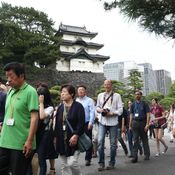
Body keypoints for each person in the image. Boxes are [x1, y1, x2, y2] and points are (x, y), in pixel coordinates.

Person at [0, 62, 39, 175]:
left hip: (21, 143)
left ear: (21, 76)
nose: (8, 79)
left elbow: (34, 118)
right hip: (4, 141)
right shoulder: (10, 91)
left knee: (18, 172)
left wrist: (29, 141)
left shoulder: (30, 91)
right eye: (7, 76)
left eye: (11, 76)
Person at [55, 84, 85, 175]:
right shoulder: (60, 107)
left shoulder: (78, 106)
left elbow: (81, 123)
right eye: (62, 92)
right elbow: (57, 124)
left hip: (74, 139)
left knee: (72, 163)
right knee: (64, 164)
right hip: (62, 139)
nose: (62, 94)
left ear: (71, 94)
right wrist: (55, 137)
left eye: (64, 92)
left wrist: (76, 135)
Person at [96, 80, 123, 171]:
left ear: (111, 85)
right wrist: (101, 111)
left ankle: (112, 163)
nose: (107, 86)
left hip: (113, 122)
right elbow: (97, 107)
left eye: (108, 84)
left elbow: (120, 110)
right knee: (100, 142)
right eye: (105, 84)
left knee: (113, 144)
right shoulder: (100, 95)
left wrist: (112, 113)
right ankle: (101, 163)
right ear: (104, 85)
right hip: (102, 121)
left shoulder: (117, 96)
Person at [76, 85, 95, 166]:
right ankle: (74, 159)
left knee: (88, 140)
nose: (80, 91)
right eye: (79, 90)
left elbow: (92, 112)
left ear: (85, 91)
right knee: (76, 139)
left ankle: (88, 159)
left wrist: (91, 122)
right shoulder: (76, 100)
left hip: (87, 123)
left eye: (82, 90)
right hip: (77, 123)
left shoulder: (89, 100)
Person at [129, 90, 150, 163]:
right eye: (135, 94)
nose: (137, 95)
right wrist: (130, 125)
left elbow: (148, 114)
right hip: (135, 123)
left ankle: (147, 154)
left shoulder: (144, 104)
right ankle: (135, 157)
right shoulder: (133, 104)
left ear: (141, 95)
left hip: (143, 122)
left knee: (144, 139)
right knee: (135, 140)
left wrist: (147, 124)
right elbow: (131, 115)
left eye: (138, 94)